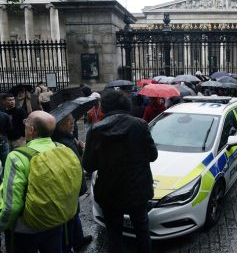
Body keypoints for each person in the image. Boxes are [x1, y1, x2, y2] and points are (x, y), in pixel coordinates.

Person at [82, 90, 158, 253]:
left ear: (105, 107)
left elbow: (88, 165)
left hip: (110, 192)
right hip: (138, 189)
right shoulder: (140, 125)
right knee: (142, 232)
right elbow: (153, 156)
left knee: (114, 235)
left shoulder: (96, 130)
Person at [0, 110, 80, 252]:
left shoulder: (17, 157)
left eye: (26, 122)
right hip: (55, 222)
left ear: (31, 129)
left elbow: (11, 206)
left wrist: (2, 225)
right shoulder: (61, 148)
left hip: (24, 230)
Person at [51, 114, 92, 252]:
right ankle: (68, 246)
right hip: (69, 188)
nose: (73, 123)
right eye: (69, 121)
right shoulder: (60, 142)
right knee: (69, 218)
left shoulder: (68, 138)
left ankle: (78, 240)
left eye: (72, 120)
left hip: (74, 185)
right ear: (60, 125)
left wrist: (79, 147)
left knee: (75, 213)